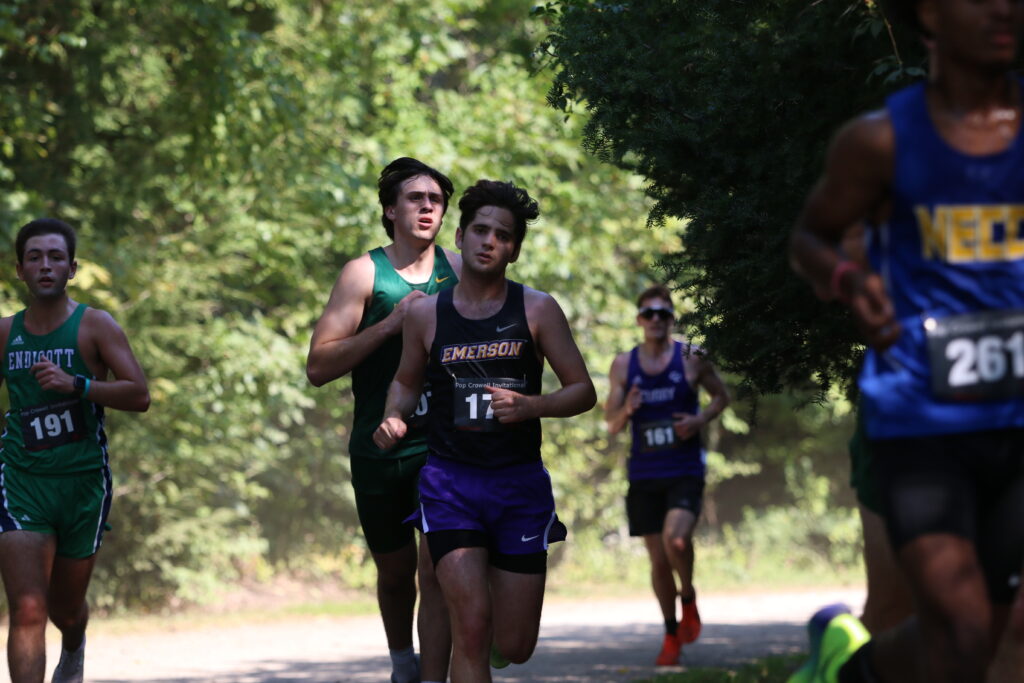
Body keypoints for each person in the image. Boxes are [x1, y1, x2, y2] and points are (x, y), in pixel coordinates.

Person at [789, 0, 1024, 680]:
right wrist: (844, 279)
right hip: (924, 419)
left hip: (1017, 414)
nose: (1004, 7)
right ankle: (855, 671)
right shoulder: (880, 140)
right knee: (963, 630)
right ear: (929, 13)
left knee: (1002, 632)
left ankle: (855, 673)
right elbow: (811, 236)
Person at [373, 179, 596, 683]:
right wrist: (394, 414)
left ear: (513, 249)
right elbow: (405, 383)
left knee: (514, 645)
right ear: (460, 235)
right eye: (479, 229)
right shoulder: (427, 314)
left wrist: (531, 405)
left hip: (518, 485)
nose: (488, 240)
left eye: (501, 234)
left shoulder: (537, 309)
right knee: (469, 629)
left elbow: (582, 390)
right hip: (450, 484)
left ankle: (503, 633)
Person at [307, 157, 459, 683]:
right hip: (382, 443)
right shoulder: (364, 273)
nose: (426, 207)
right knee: (396, 576)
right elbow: (318, 366)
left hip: (447, 444)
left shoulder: (460, 270)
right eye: (415, 198)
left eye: (436, 200)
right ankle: (403, 665)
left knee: (438, 565)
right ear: (390, 209)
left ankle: (445, 665)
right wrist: (392, 323)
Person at [0, 218, 150, 683]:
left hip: (84, 483)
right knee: (27, 608)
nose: (46, 265)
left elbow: (138, 395)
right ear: (19, 270)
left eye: (56, 257)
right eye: (35, 257)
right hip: (21, 480)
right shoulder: (5, 333)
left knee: (65, 609)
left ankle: (75, 641)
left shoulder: (96, 326)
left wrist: (78, 384)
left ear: (72, 269)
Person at [604, 284, 729, 666]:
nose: (656, 320)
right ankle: (671, 633)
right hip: (644, 474)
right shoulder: (624, 365)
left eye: (663, 313)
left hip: (684, 469)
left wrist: (699, 419)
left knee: (677, 541)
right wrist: (627, 408)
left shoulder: (692, 357)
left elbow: (721, 397)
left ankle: (688, 596)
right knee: (658, 561)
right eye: (649, 313)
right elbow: (610, 424)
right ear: (640, 320)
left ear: (672, 318)